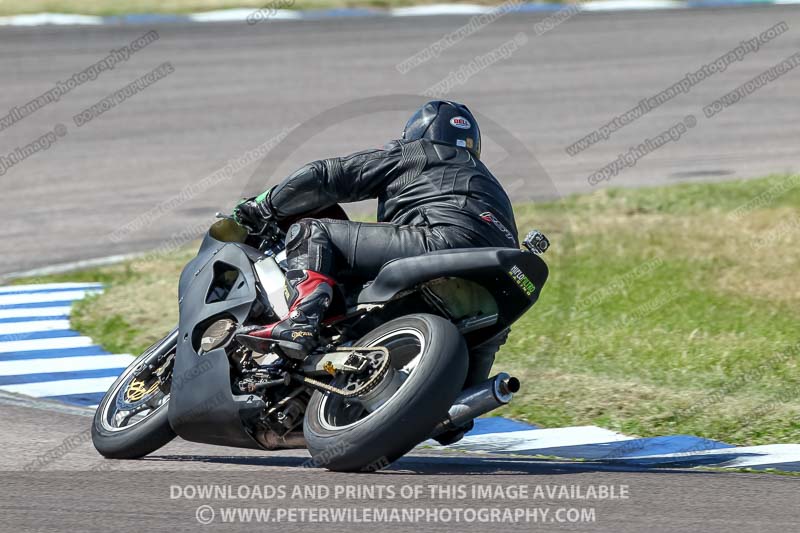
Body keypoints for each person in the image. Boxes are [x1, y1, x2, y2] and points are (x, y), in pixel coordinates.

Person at [233, 100, 518, 390]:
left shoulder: (418, 151)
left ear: (417, 133)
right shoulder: (493, 188)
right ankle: (461, 398)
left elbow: (328, 175)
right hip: (500, 276)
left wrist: (264, 205)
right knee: (481, 350)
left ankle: (301, 321)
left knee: (311, 231)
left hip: (438, 241)